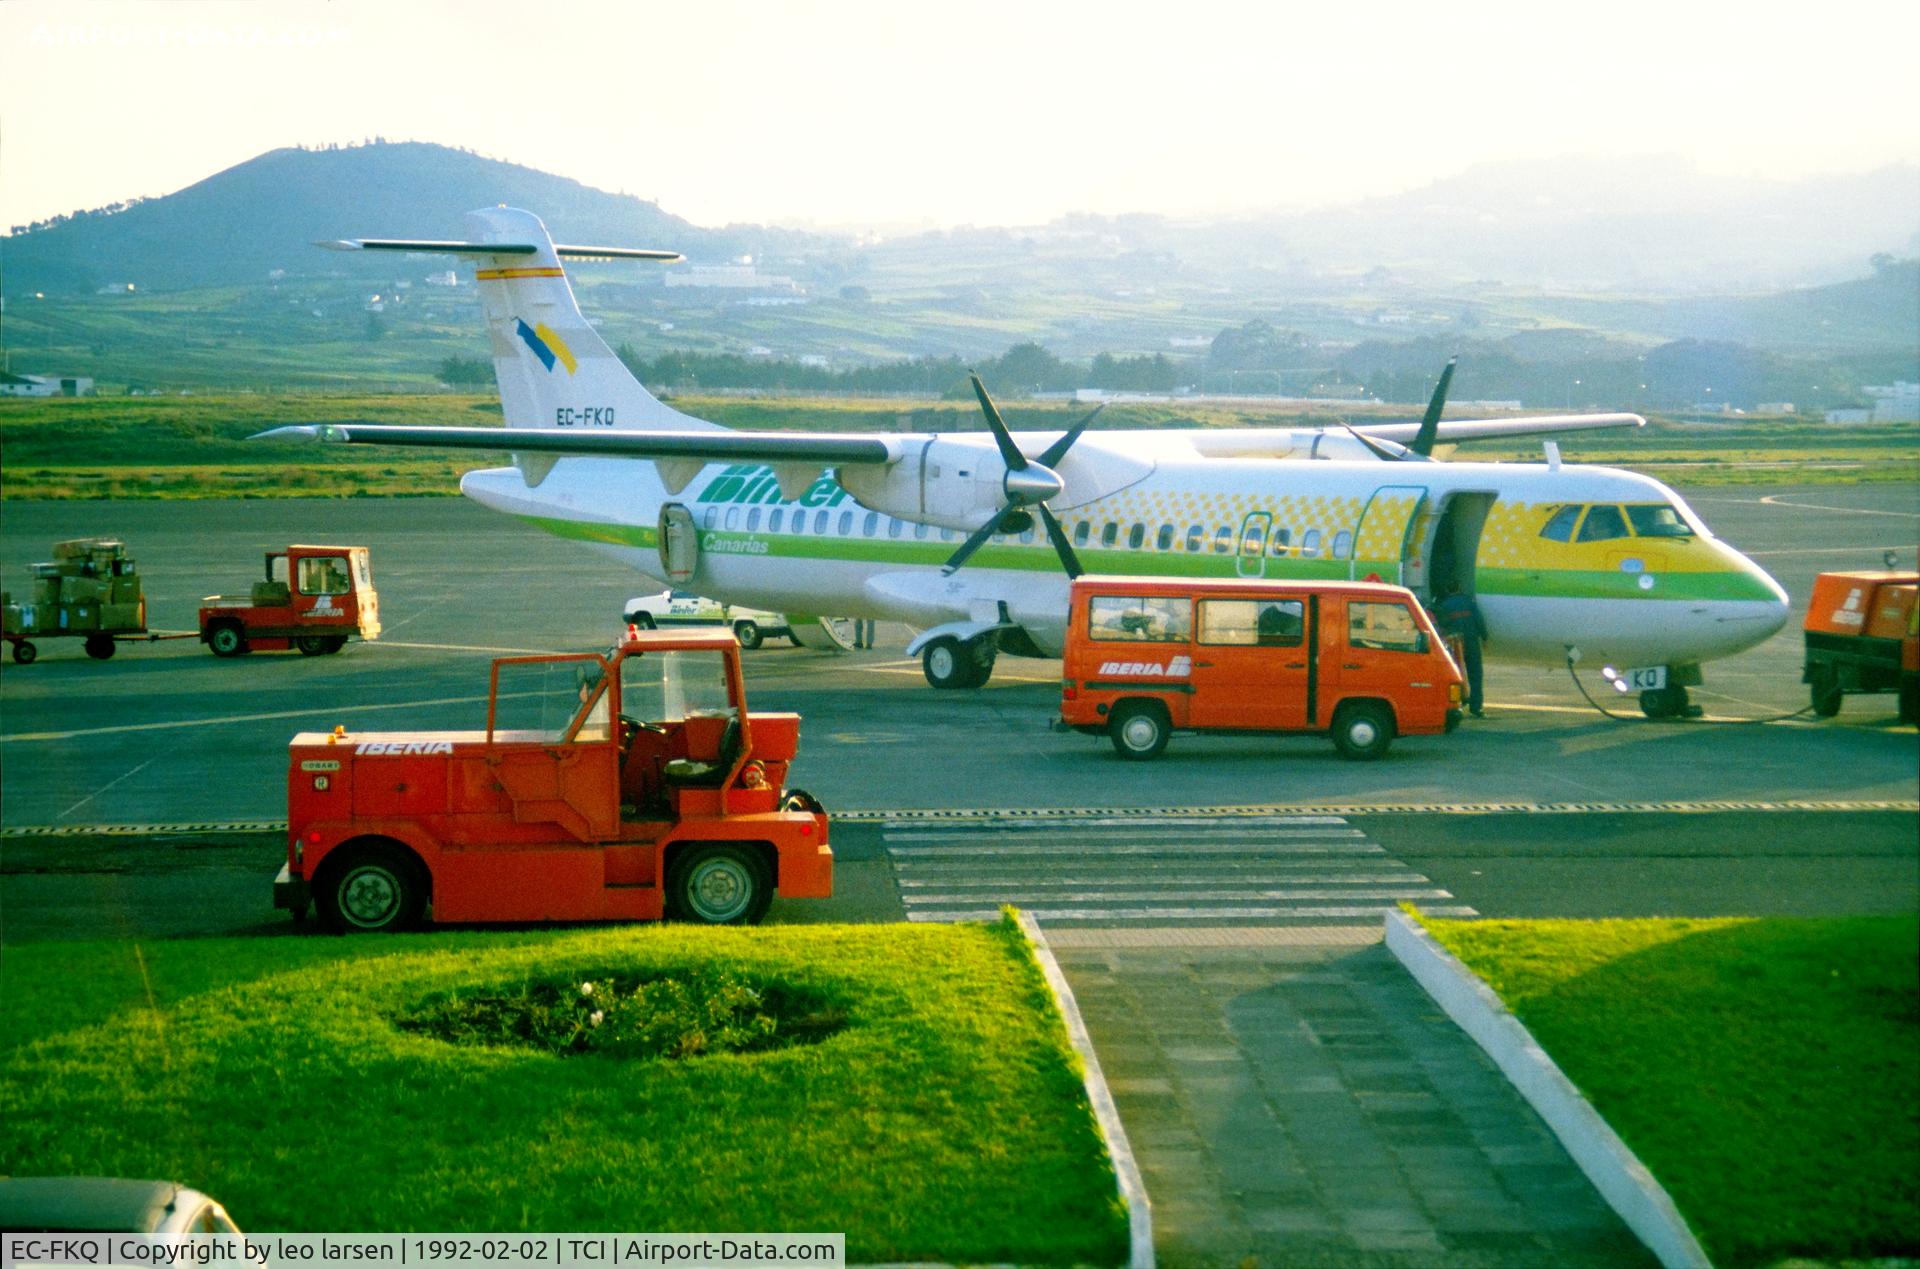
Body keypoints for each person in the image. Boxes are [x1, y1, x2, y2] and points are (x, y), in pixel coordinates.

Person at [1433, 584, 1488, 716]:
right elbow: (1479, 620)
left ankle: (1458, 703)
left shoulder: (1444, 605)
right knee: (1475, 675)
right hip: (1471, 641)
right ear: (1460, 589)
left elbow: (1442, 625)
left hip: (1456, 643)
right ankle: (1476, 707)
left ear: (1448, 590)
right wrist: (1485, 637)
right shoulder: (1469, 602)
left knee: (1456, 674)